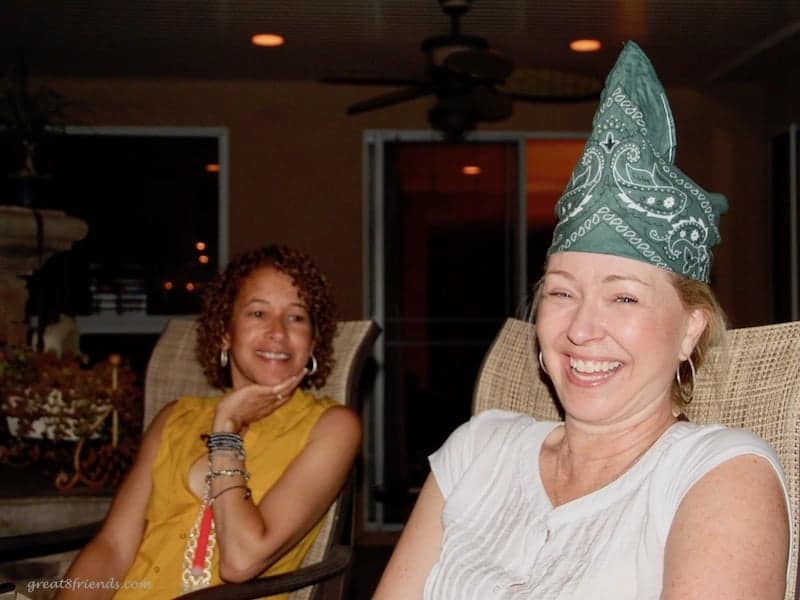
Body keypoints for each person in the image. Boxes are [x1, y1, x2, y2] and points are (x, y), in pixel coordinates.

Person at [374, 41, 791, 599]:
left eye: (623, 299)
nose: (579, 329)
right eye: (562, 292)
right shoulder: (477, 450)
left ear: (690, 330)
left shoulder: (720, 476)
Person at [59, 245, 361, 599]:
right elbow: (112, 546)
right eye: (258, 313)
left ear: (312, 342)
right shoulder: (175, 418)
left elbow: (241, 561)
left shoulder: (332, 427)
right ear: (225, 332)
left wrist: (226, 431)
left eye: (296, 317)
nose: (277, 332)